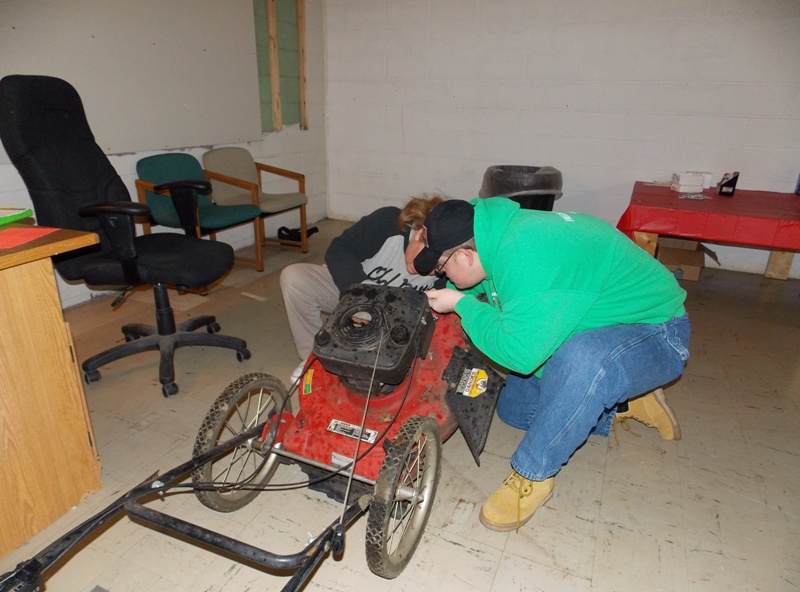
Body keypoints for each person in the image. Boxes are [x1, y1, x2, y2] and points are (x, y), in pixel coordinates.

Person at [416, 198, 690, 532]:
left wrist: (463, 304)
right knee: (514, 409)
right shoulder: (487, 234)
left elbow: (518, 354)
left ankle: (533, 473)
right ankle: (623, 402)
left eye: (442, 268)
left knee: (583, 359)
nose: (443, 275)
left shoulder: (529, 258)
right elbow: (481, 296)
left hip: (656, 332)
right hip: (591, 323)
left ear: (464, 255)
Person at [280, 194, 445, 380]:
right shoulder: (389, 222)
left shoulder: (448, 267)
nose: (426, 269)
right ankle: (314, 358)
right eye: (424, 259)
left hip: (394, 319)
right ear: (419, 235)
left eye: (438, 266)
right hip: (352, 295)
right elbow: (338, 250)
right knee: (295, 278)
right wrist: (363, 293)